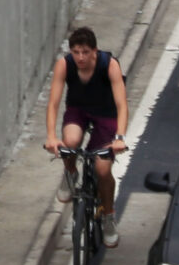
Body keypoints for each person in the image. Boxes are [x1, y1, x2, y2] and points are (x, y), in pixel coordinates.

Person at [42, 25, 131, 246]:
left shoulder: (109, 65)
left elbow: (121, 105)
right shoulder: (65, 65)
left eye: (85, 52)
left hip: (106, 114)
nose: (80, 57)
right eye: (76, 52)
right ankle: (71, 172)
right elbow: (53, 104)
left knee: (102, 169)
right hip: (78, 110)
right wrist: (51, 136)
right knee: (70, 142)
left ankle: (108, 215)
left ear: (94, 51)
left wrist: (119, 138)